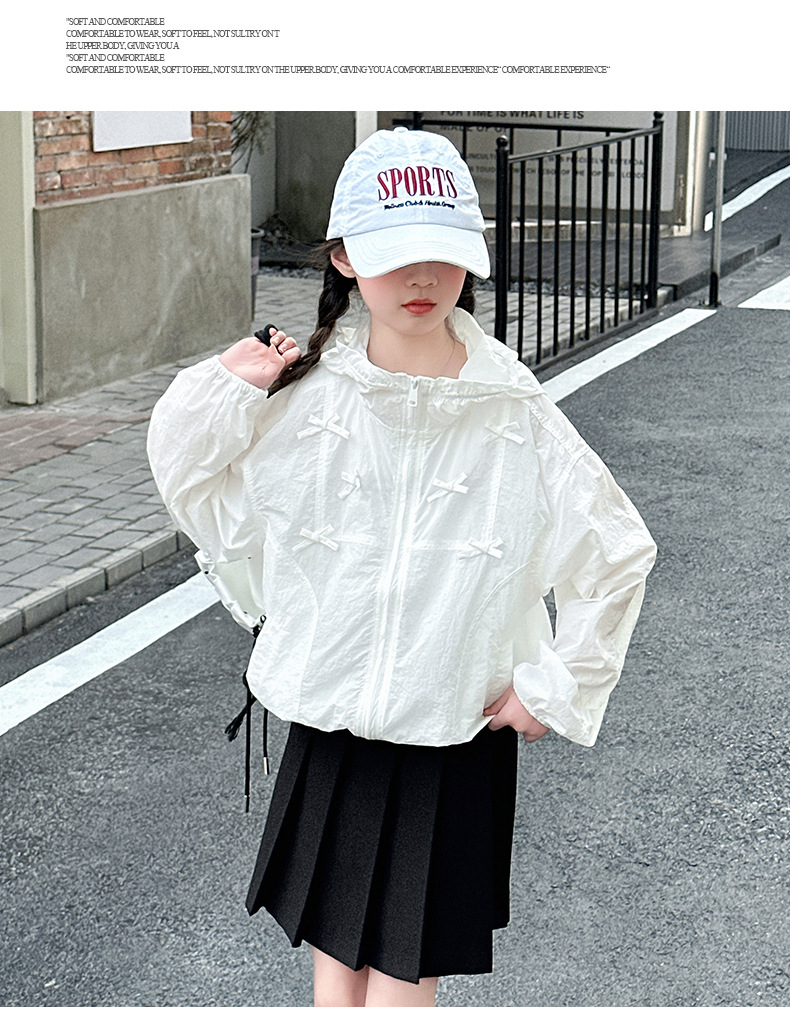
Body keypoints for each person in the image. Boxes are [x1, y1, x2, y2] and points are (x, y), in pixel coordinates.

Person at [147, 127, 657, 1008]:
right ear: (344, 258)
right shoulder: (307, 394)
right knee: (335, 970)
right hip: (330, 716)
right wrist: (227, 382)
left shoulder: (512, 407)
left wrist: (554, 686)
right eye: (393, 253)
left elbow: (616, 551)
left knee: (402, 979)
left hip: (452, 731)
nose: (422, 277)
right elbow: (188, 474)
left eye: (442, 253)